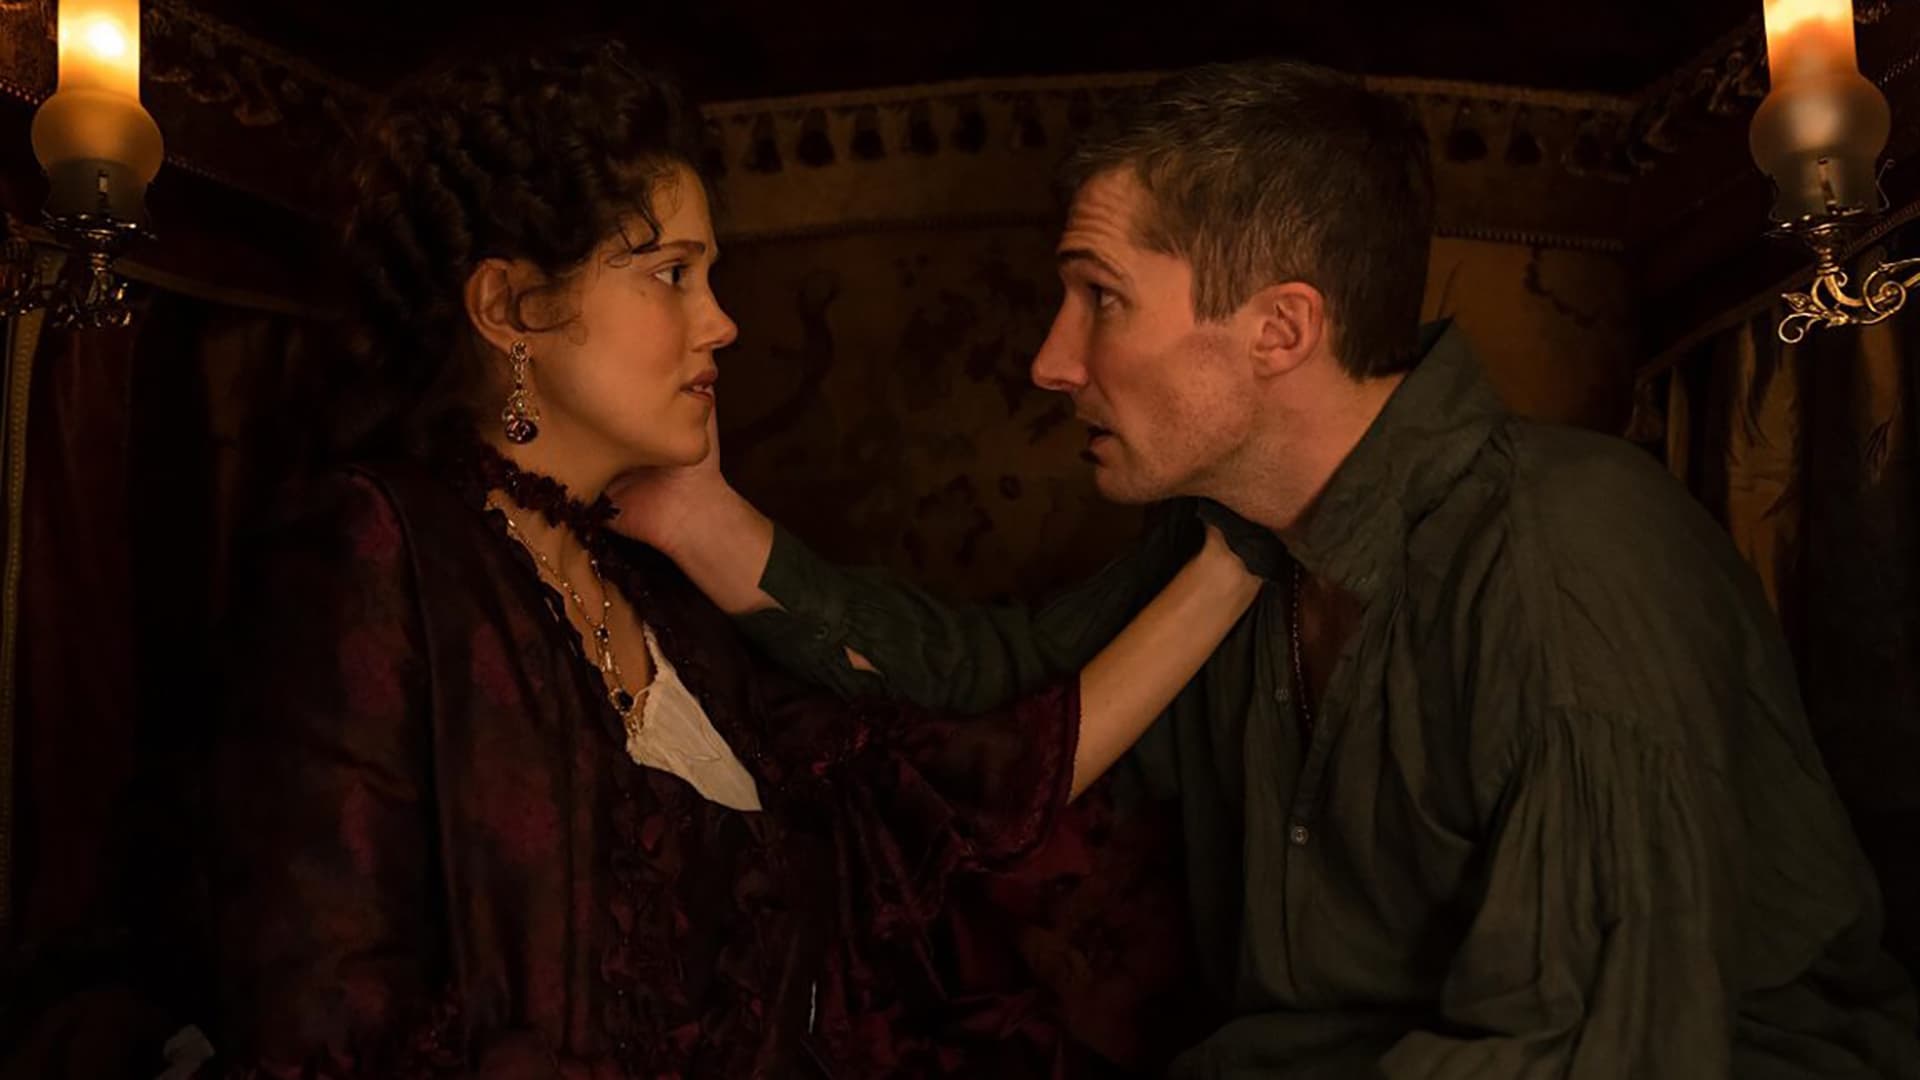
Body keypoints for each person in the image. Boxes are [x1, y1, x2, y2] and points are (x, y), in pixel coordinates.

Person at [612, 59, 1920, 1078]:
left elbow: (1584, 1054)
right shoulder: (1233, 542)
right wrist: (705, 519)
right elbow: (1004, 702)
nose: (1052, 362)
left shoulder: (1564, 562)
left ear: (1282, 329)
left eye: (1100, 297)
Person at [203, 41, 1262, 1078]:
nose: (720, 323)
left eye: (709, 275)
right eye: (671, 274)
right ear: (511, 308)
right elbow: (321, 1010)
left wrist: (1235, 560)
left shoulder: (658, 598)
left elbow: (933, 791)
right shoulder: (379, 545)